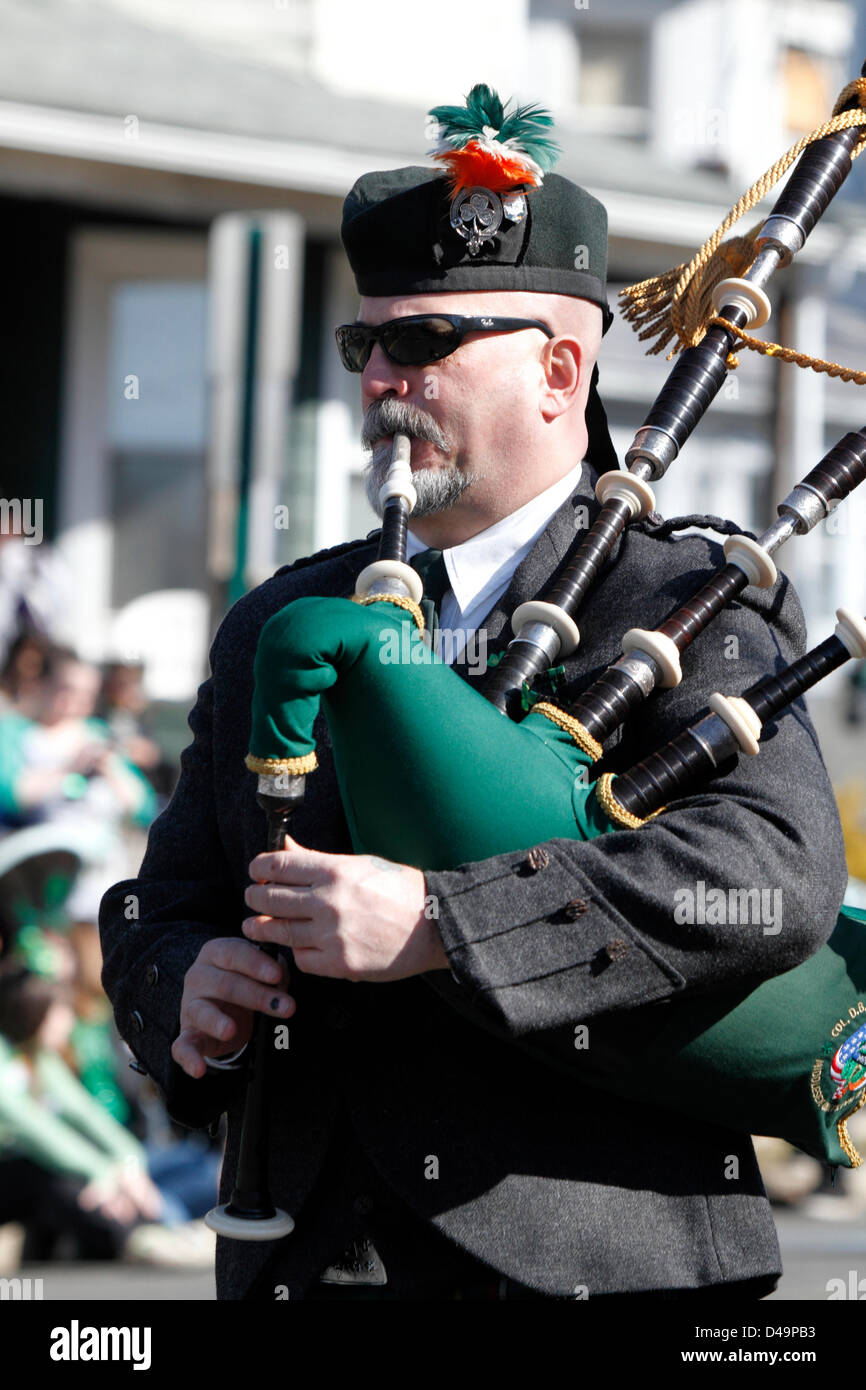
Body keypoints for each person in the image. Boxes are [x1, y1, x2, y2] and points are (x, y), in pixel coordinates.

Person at [99, 85, 847, 1301]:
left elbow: (773, 872)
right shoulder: (274, 617)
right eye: (365, 346)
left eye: (423, 344)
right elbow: (162, 897)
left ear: (558, 369)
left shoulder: (685, 595)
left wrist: (445, 924)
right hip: (296, 1255)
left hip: (596, 1269)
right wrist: (182, 984)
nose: (381, 377)